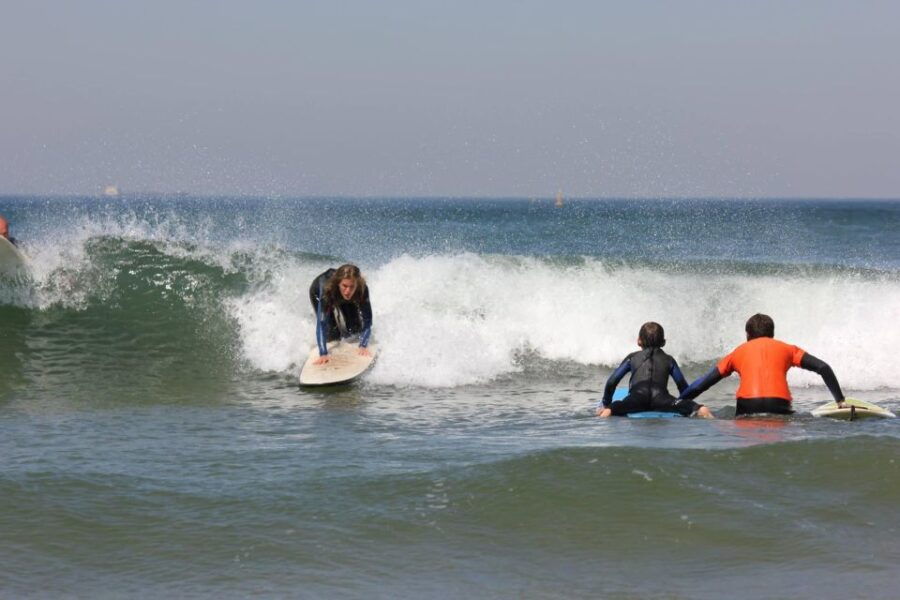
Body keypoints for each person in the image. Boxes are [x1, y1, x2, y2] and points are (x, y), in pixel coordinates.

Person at [679, 313, 845, 415]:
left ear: (747, 334)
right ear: (772, 333)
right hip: (779, 405)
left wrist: (678, 401)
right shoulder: (789, 349)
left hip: (748, 407)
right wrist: (840, 400)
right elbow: (823, 368)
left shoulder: (737, 352)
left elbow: (703, 383)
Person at [597, 322, 712, 418]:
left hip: (636, 400)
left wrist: (606, 403)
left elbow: (612, 381)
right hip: (662, 400)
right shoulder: (669, 359)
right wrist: (683, 404)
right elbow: (683, 387)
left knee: (614, 408)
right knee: (693, 407)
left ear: (639, 341)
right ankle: (702, 410)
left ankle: (606, 413)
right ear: (663, 342)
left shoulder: (632, 358)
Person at [308, 264, 372, 365]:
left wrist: (363, 345)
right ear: (338, 283)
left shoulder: (362, 289)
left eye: (352, 287)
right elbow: (322, 323)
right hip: (318, 293)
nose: (348, 291)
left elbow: (368, 319)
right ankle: (331, 337)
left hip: (341, 295)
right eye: (345, 286)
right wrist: (323, 353)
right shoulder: (327, 290)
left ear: (357, 284)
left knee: (355, 329)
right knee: (333, 335)